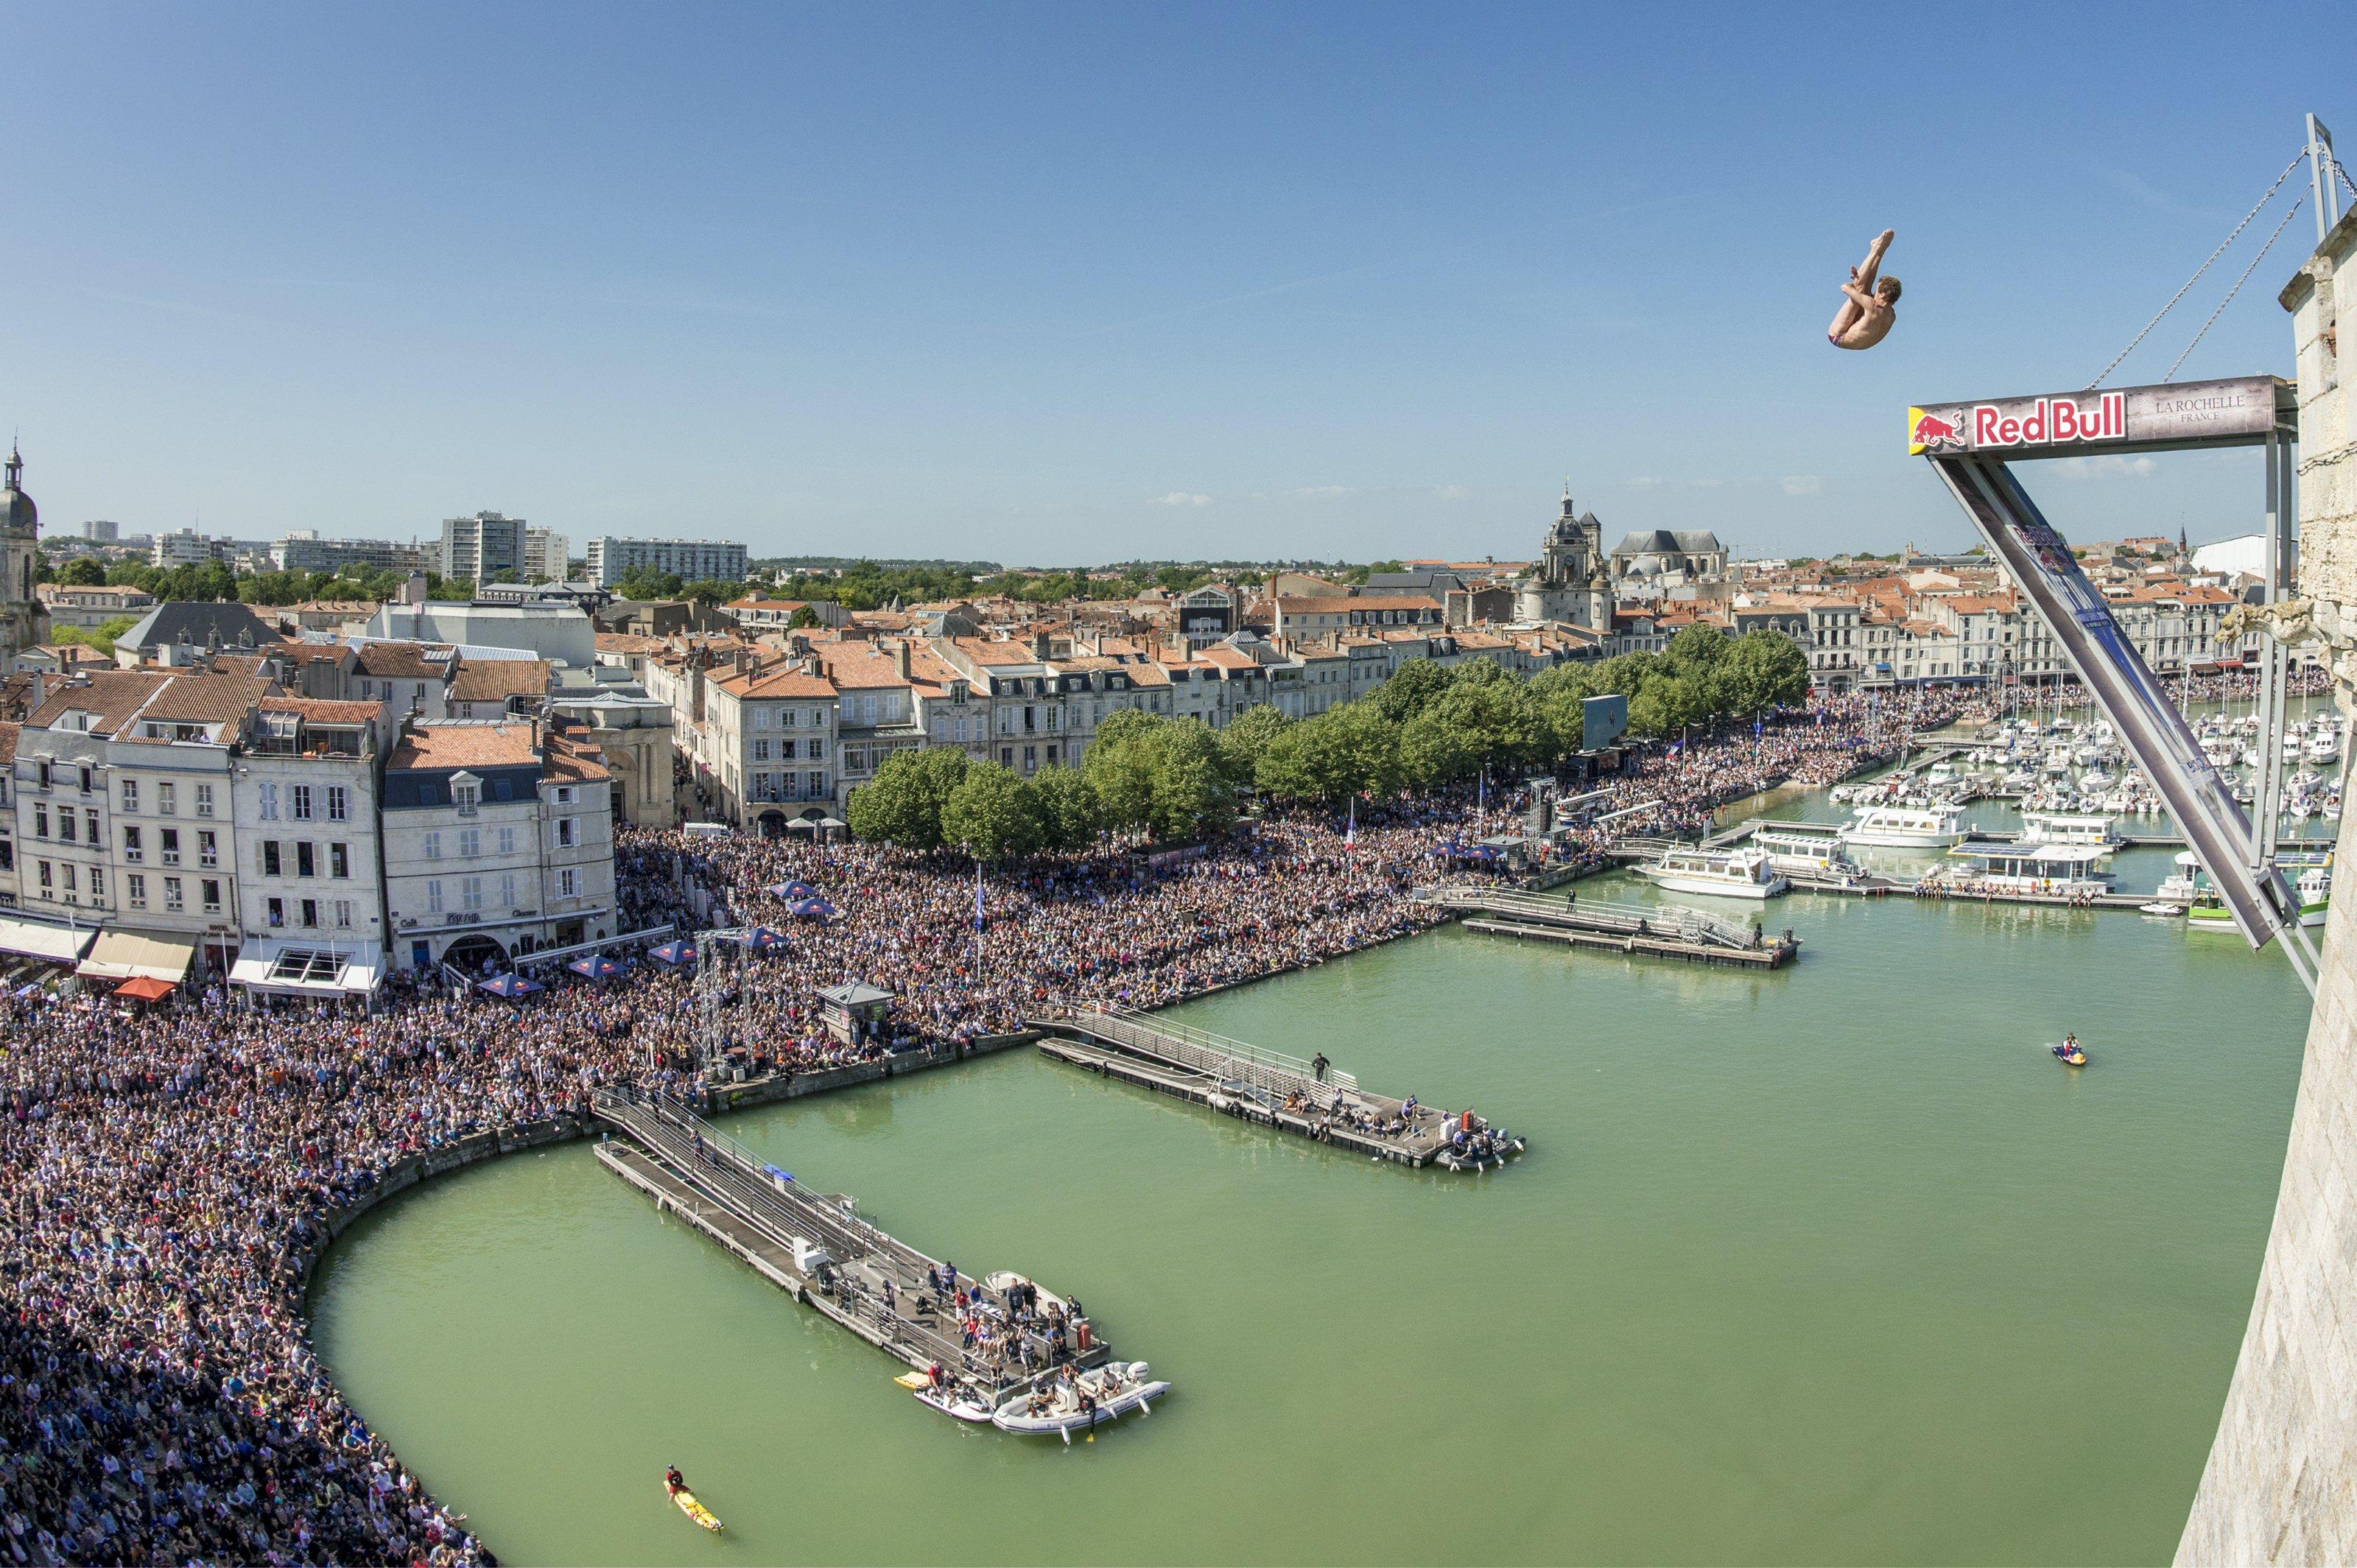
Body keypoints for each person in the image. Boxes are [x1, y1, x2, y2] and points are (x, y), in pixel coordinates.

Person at [1827, 228, 1900, 350]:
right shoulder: (1892, 315)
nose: (1874, 293)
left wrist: (1855, 282)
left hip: (1838, 336)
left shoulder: (1871, 305)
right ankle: (1879, 250)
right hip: (1858, 340)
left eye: (1877, 291)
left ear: (1882, 294)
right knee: (1864, 289)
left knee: (1859, 288)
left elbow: (1844, 287)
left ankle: (1876, 250)